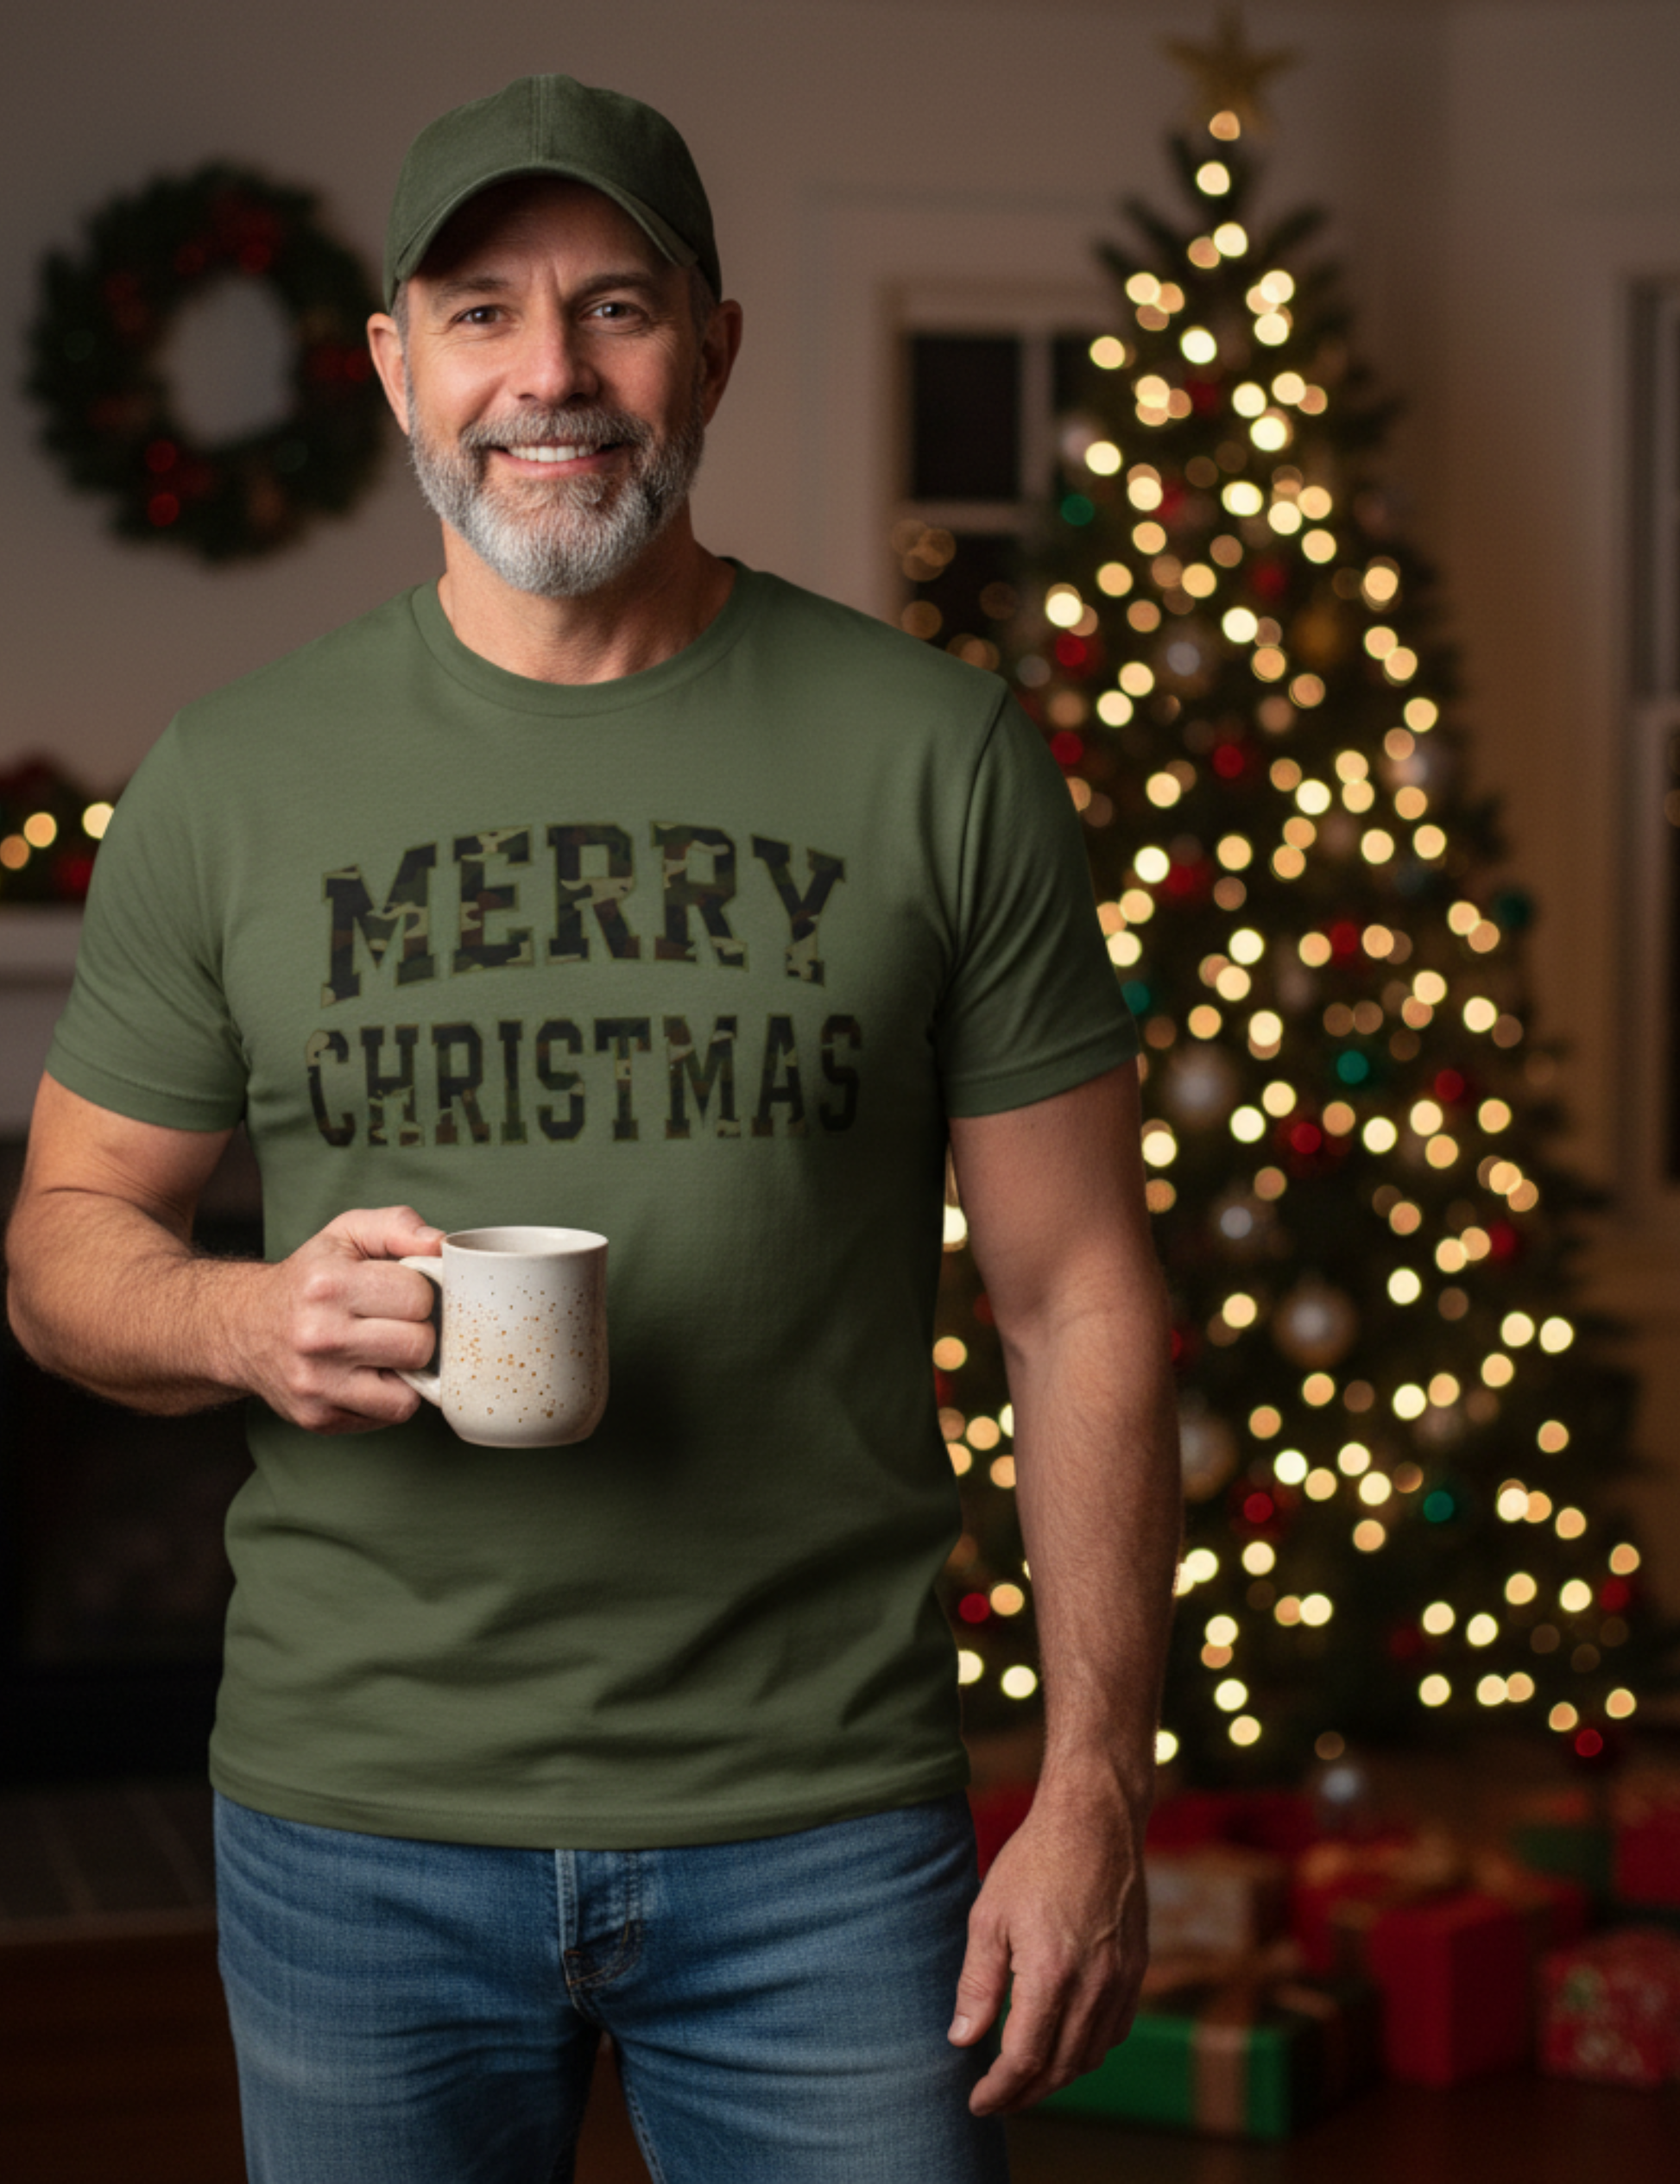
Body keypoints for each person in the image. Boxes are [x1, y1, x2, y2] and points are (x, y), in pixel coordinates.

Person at [5, 73, 1179, 2184]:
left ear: (710, 348)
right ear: (394, 366)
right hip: (358, 1826)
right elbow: (60, 1240)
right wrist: (246, 1320)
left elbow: (1077, 1290)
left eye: (614, 306)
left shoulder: (935, 755)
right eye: (481, 310)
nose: (548, 373)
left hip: (824, 1830)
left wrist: (1093, 1780)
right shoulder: (230, 777)